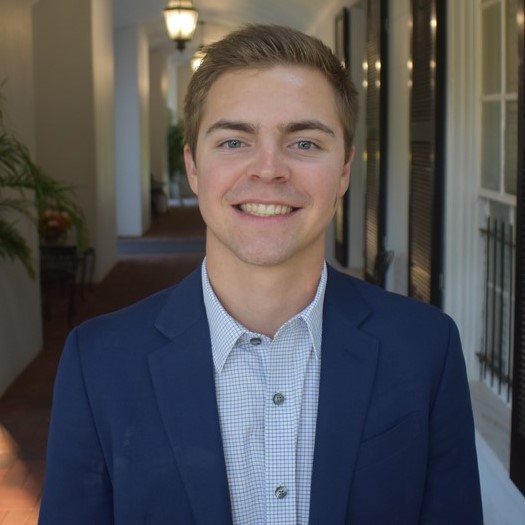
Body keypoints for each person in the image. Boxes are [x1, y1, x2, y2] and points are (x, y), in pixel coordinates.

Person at [39, 24, 483, 525]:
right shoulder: (99, 363)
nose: (268, 170)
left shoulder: (425, 349)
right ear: (193, 167)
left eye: (305, 143)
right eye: (234, 141)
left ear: (344, 170)